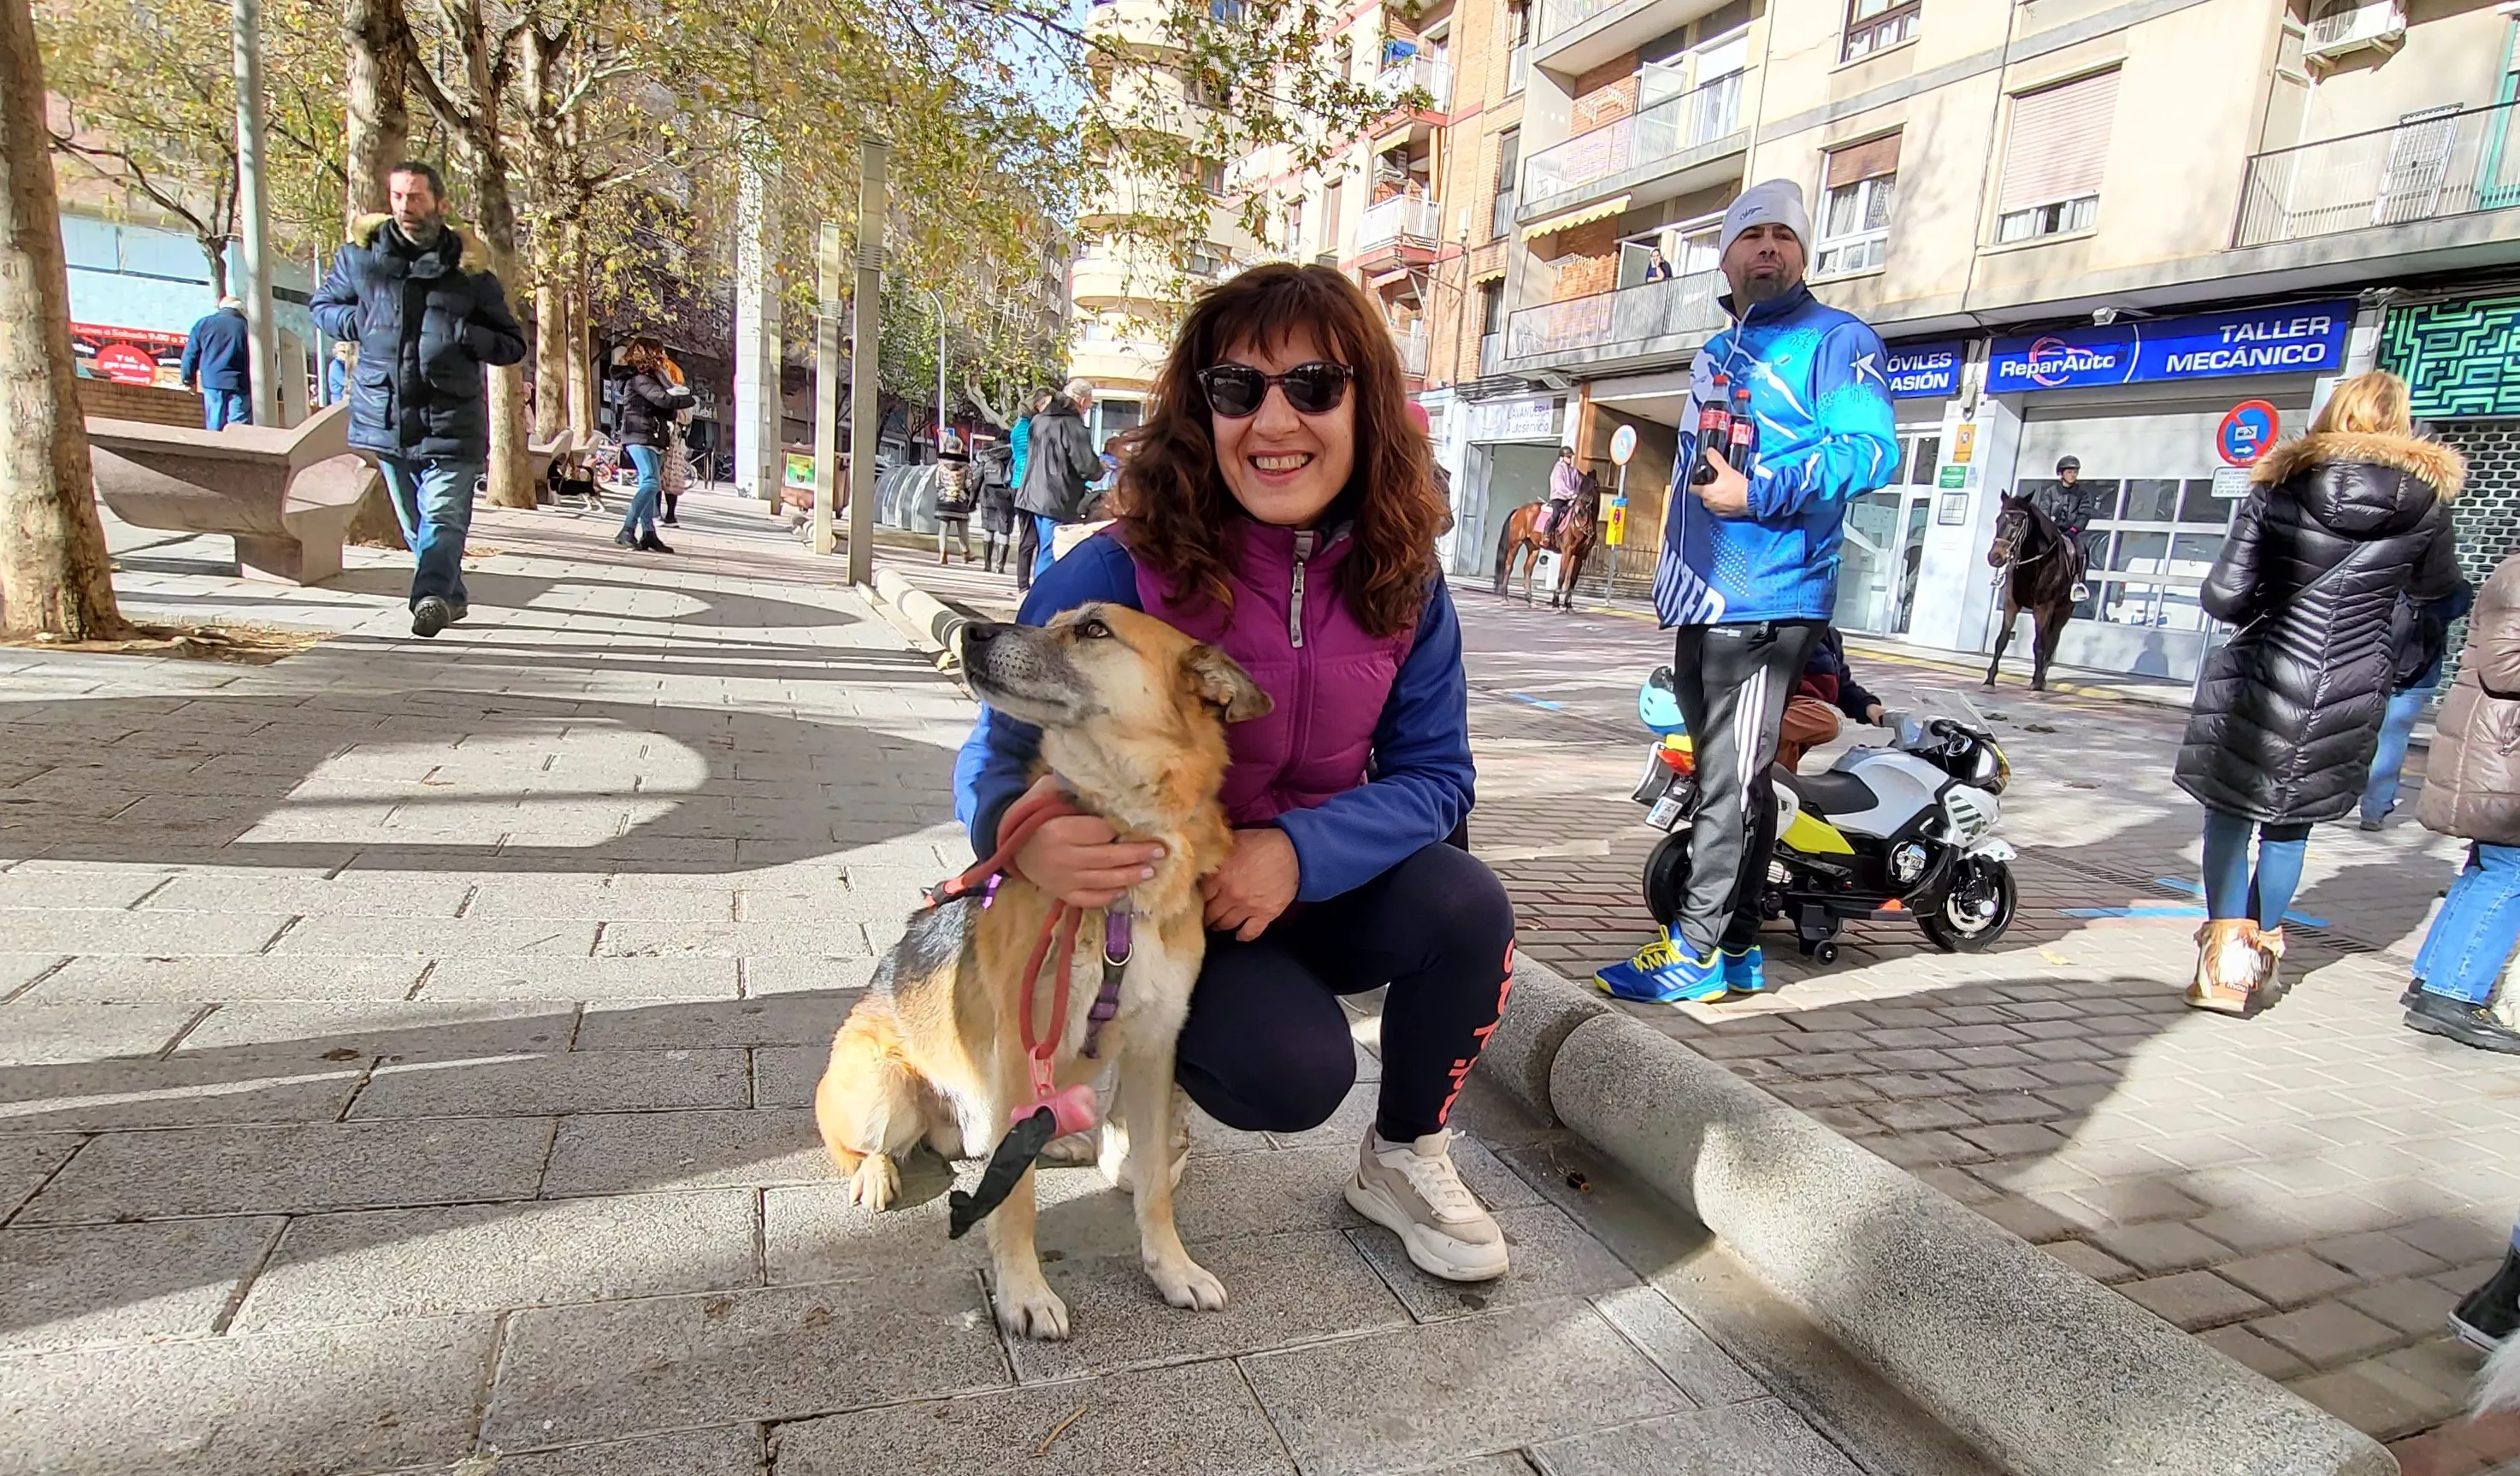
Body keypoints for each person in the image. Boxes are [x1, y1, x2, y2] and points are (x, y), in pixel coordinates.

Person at [953, 263, 1518, 1284]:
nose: (1273, 419)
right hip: (1174, 912)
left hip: (1320, 888)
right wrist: (1021, 828)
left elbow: (1439, 777)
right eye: (1236, 388)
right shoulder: (1116, 572)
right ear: (1200, 409)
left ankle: (1404, 1157)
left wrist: (1298, 852)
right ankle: (1142, 1086)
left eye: (1312, 385)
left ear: (1366, 405)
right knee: (1292, 1075)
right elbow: (996, 751)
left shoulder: (1405, 577)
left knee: (1466, 900)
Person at [1600, 180, 1896, 1005]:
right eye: (1751, 234)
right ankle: (1734, 949)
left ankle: (1692, 950)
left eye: (1784, 236)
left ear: (1804, 254)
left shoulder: (1834, 341)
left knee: (1729, 776)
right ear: (1724, 256)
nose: (1768, 247)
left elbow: (1872, 454)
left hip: (1770, 598)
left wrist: (1758, 490)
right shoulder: (1716, 352)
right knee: (1737, 775)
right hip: (1705, 602)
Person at [2174, 370, 2462, 1015]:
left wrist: (2265, 596)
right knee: (2288, 828)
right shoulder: (2426, 505)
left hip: (2266, 675)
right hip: (2352, 682)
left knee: (2230, 812)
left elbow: (2223, 595)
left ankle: (2221, 965)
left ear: (2332, 412)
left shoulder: (2277, 488)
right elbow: (2435, 592)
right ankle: (2257, 962)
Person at [311, 160, 527, 637]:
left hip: (452, 418)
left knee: (445, 513)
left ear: (440, 204)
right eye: (398, 197)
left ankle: (429, 598)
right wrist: (361, 324)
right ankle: (450, 592)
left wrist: (465, 335)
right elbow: (323, 308)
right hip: (385, 413)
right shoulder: (360, 259)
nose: (406, 207)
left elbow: (512, 344)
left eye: (416, 197)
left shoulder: (470, 273)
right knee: (414, 521)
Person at [2404, 544, 2520, 1054]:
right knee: (2510, 870)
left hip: (2498, 744)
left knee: (2488, 866)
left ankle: (2434, 980)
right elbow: (2504, 665)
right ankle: (2453, 994)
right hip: (2503, 748)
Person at [2361, 579, 2474, 829]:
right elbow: (2459, 607)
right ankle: (2374, 809)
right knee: (2392, 739)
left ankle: (2334, 793)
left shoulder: (2388, 570)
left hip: (2371, 669)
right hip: (2419, 674)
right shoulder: (2452, 587)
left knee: (2354, 730)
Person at [611, 339, 693, 554]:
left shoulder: (653, 378)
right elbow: (662, 400)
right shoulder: (640, 379)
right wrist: (686, 399)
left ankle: (649, 534)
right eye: (660, 352)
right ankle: (627, 529)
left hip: (652, 435)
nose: (663, 357)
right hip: (640, 434)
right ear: (648, 354)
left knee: (652, 485)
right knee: (650, 482)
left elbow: (663, 407)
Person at [1016, 378, 1101, 582]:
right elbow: (1087, 466)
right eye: (1089, 404)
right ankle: (1043, 603)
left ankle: (1038, 596)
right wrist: (1100, 469)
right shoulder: (1071, 425)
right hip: (1058, 497)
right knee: (1052, 552)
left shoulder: (1039, 420)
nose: (1088, 409)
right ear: (1081, 401)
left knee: (1043, 549)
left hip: (1034, 495)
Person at [179, 296, 251, 430]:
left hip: (213, 382)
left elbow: (191, 354)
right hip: (240, 383)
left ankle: (214, 449)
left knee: (214, 424)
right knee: (239, 428)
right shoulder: (248, 327)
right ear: (241, 309)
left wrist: (188, 379)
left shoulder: (204, 324)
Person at [2034, 456, 2106, 592]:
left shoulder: (2082, 494)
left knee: (2080, 551)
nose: (2073, 475)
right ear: (2061, 474)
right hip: (2051, 531)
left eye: (2075, 472)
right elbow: (2044, 511)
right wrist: (2048, 528)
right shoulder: (2051, 492)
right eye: (2069, 472)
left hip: (2070, 531)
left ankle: (2078, 583)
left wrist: (2074, 529)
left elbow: (2084, 514)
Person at [1010, 390, 1051, 593]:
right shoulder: (1027, 429)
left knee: (1029, 537)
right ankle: (1024, 585)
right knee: (1029, 538)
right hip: (1027, 486)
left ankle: (1024, 584)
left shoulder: (1020, 427)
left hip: (1021, 485)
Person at [976, 439, 1019, 574]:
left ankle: (987, 565)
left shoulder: (988, 456)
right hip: (1004, 498)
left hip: (987, 496)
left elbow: (977, 478)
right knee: (1004, 531)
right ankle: (1000, 567)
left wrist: (972, 500)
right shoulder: (1012, 456)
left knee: (988, 529)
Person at [1540, 445, 1583, 542]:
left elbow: (1577, 485)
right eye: (1568, 457)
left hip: (1570, 498)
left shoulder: (1574, 471)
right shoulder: (1558, 469)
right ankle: (1546, 533)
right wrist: (1570, 493)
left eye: (1571, 457)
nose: (1570, 459)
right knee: (1556, 514)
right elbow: (1560, 485)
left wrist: (1575, 495)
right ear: (1562, 457)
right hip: (1559, 497)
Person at [325, 341, 355, 407]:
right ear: (337, 352)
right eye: (343, 352)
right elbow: (345, 382)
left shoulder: (345, 364)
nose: (346, 354)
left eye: (348, 352)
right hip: (339, 399)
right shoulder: (335, 365)